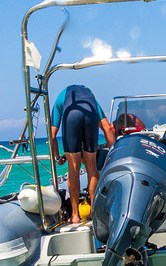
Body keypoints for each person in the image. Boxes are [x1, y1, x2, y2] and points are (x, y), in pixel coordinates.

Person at [49, 83, 117, 222]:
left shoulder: (61, 98)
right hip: (90, 116)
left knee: (73, 169)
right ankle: (93, 212)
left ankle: (75, 215)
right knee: (91, 167)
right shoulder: (92, 100)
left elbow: (52, 136)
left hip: (71, 115)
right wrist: (114, 156)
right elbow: (108, 128)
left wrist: (57, 157)